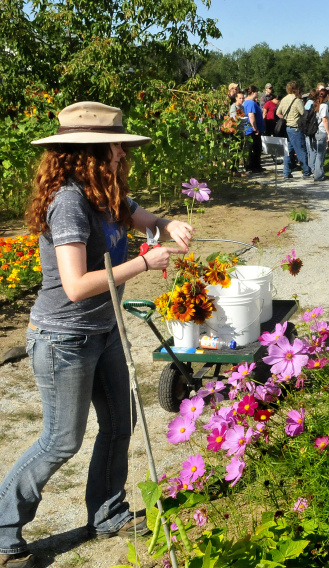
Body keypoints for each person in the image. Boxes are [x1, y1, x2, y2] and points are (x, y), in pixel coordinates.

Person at [0, 102, 191, 568]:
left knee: (119, 424)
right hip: (64, 337)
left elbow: (133, 213)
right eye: (118, 146)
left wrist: (164, 223)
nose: (124, 154)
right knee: (61, 440)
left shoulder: (100, 193)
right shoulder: (68, 202)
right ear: (93, 150)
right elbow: (77, 285)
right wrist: (145, 262)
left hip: (103, 331)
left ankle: (107, 513)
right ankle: (4, 530)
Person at [276, 81, 312, 179]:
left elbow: (278, 113)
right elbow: (303, 114)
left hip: (287, 128)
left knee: (288, 151)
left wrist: (285, 119)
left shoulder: (283, 99)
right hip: (296, 128)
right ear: (295, 89)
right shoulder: (297, 101)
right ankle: (306, 171)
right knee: (301, 150)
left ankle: (286, 172)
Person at [306, 88, 329, 182]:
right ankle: (319, 175)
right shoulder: (324, 106)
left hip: (314, 131)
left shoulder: (315, 104)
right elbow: (325, 120)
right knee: (321, 154)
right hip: (321, 131)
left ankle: (315, 171)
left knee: (315, 153)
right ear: (326, 96)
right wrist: (328, 133)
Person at [242, 86, 265, 173]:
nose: (257, 94)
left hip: (249, 129)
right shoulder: (250, 103)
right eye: (257, 92)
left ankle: (252, 166)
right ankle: (254, 167)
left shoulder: (246, 102)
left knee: (251, 149)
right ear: (253, 92)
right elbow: (251, 116)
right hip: (252, 130)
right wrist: (255, 128)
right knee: (256, 149)